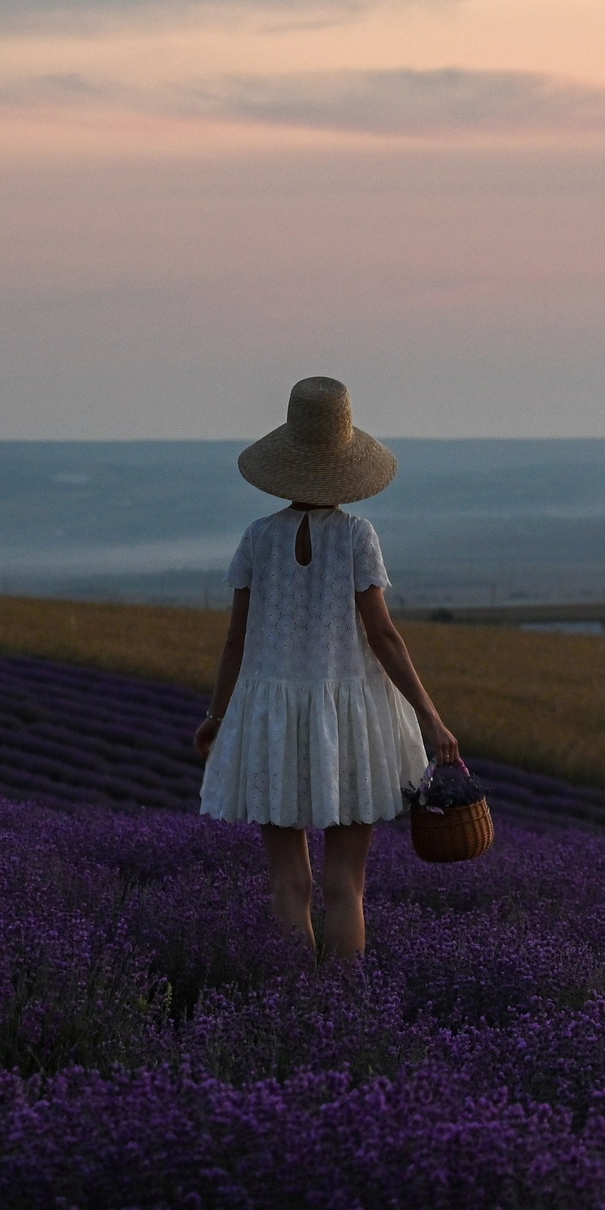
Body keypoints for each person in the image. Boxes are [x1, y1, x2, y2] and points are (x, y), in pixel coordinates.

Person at [193, 377, 460, 961]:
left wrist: (216, 715)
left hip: (269, 716)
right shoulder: (358, 536)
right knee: (347, 886)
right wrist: (432, 719)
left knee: (288, 885)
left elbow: (236, 640)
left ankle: (296, 1012)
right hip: (352, 718)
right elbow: (383, 636)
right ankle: (344, 1014)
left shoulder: (258, 537)